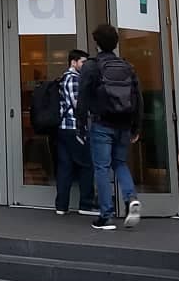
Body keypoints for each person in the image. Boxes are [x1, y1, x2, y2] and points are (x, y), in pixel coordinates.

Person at [76, 23, 143, 231]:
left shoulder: (91, 66)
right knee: (120, 163)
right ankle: (130, 197)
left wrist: (80, 126)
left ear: (96, 43)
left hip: (102, 123)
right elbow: (138, 98)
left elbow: (83, 98)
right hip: (123, 124)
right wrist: (136, 126)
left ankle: (106, 215)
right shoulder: (127, 66)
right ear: (116, 43)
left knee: (102, 168)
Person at [55, 48, 95, 216]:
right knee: (86, 165)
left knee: (65, 167)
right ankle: (86, 205)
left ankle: (61, 206)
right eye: (83, 62)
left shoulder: (65, 78)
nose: (85, 66)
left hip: (64, 128)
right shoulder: (73, 80)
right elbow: (79, 104)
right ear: (73, 62)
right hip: (74, 128)